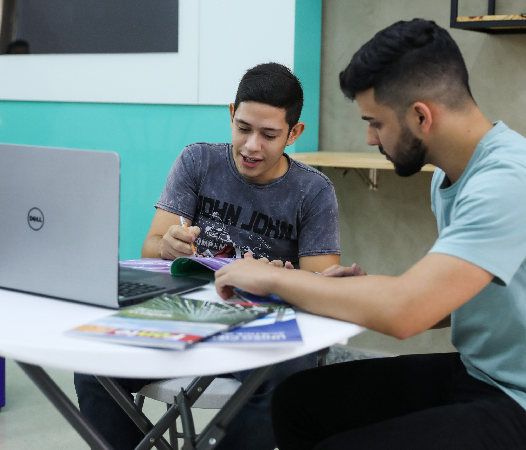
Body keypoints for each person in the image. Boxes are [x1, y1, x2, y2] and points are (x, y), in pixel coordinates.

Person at [214, 19, 526, 450]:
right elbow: (442, 302)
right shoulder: (451, 175)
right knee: (298, 401)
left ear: (421, 116)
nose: (370, 138)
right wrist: (363, 291)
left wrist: (275, 277)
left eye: (375, 122)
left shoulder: (508, 181)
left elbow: (406, 315)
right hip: (485, 375)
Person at [74, 62, 341, 450]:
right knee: (92, 369)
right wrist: (168, 246)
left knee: (291, 380)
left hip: (258, 328)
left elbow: (326, 288)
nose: (251, 146)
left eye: (269, 135)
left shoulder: (312, 191)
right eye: (243, 128)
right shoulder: (198, 162)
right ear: (231, 114)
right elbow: (151, 247)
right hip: (186, 315)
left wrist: (287, 279)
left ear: (294, 133)